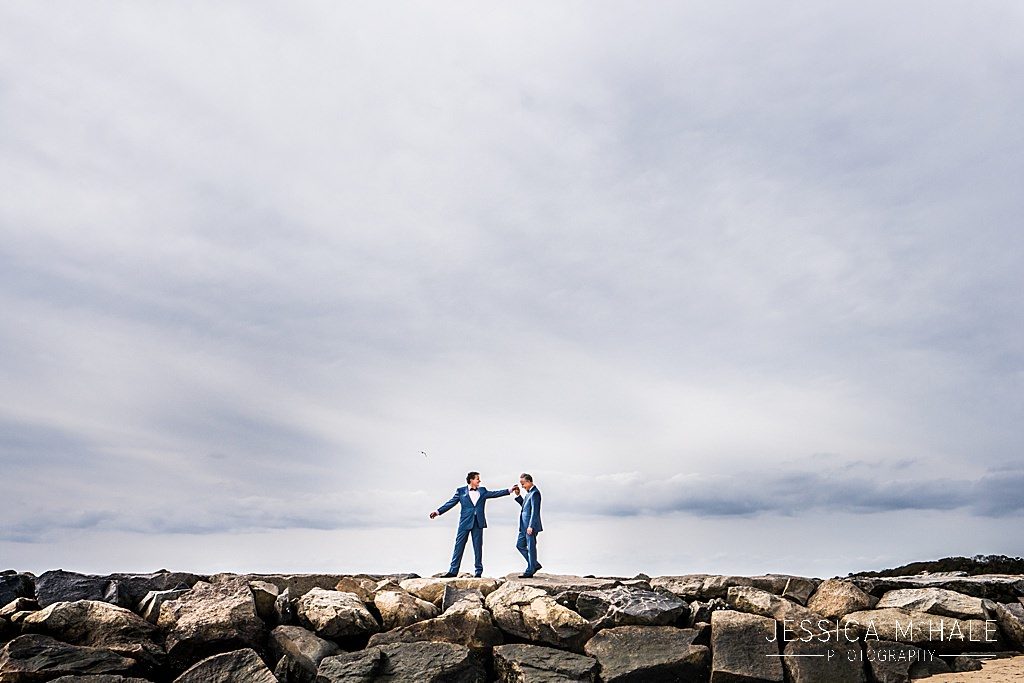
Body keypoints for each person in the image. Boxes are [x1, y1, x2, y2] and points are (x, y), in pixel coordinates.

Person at [430, 471, 515, 577]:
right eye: (477, 478)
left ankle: (478, 572)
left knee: (478, 547)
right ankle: (453, 571)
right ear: (471, 480)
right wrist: (438, 512)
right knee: (459, 546)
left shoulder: (483, 491)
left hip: (478, 522)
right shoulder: (461, 491)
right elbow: (451, 503)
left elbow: (494, 494)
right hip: (465, 523)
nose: (479, 480)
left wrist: (509, 490)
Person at [514, 472, 543, 578]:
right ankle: (534, 564)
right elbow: (525, 507)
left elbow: (535, 511)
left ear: (529, 481)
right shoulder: (528, 494)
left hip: (530, 527)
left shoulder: (535, 493)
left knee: (531, 548)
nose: (522, 486)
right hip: (523, 526)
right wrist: (518, 495)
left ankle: (530, 570)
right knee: (519, 545)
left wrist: (531, 526)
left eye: (523, 484)